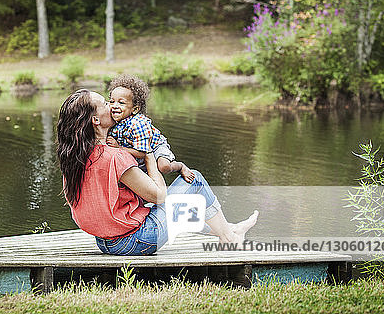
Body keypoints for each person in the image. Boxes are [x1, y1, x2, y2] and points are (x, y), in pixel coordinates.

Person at [56, 89, 258, 255]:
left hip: (104, 241)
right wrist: (148, 154)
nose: (111, 106)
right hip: (136, 242)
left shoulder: (75, 159)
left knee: (170, 206)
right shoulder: (114, 157)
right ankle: (231, 238)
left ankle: (229, 229)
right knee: (194, 180)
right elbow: (159, 196)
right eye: (104, 104)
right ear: (96, 120)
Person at [106, 74, 194, 181]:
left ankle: (180, 166)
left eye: (121, 102)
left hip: (153, 148)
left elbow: (144, 153)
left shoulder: (138, 124)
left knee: (163, 167)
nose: (114, 105)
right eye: (111, 101)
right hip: (133, 148)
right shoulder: (113, 119)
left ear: (135, 109)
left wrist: (119, 148)